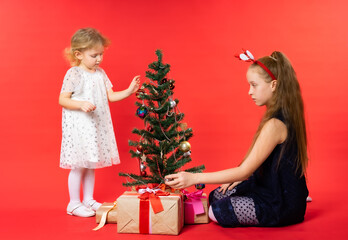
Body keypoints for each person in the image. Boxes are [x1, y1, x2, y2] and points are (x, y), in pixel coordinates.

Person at [165, 50, 309, 227]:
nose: (249, 92)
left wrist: (193, 178)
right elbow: (257, 164)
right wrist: (241, 177)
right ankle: (295, 194)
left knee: (216, 211)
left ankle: (295, 198)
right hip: (268, 184)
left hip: (283, 202)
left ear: (273, 85)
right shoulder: (275, 117)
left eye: (254, 85)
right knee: (215, 196)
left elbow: (245, 171)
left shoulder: (275, 125)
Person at [59, 28, 140, 217]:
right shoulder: (74, 73)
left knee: (90, 164)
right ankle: (74, 203)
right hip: (80, 126)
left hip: (95, 126)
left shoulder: (100, 73)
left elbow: (110, 96)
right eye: (94, 55)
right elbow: (63, 99)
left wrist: (129, 91)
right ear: (78, 54)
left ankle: (88, 199)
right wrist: (80, 104)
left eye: (101, 54)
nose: (99, 59)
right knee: (79, 165)